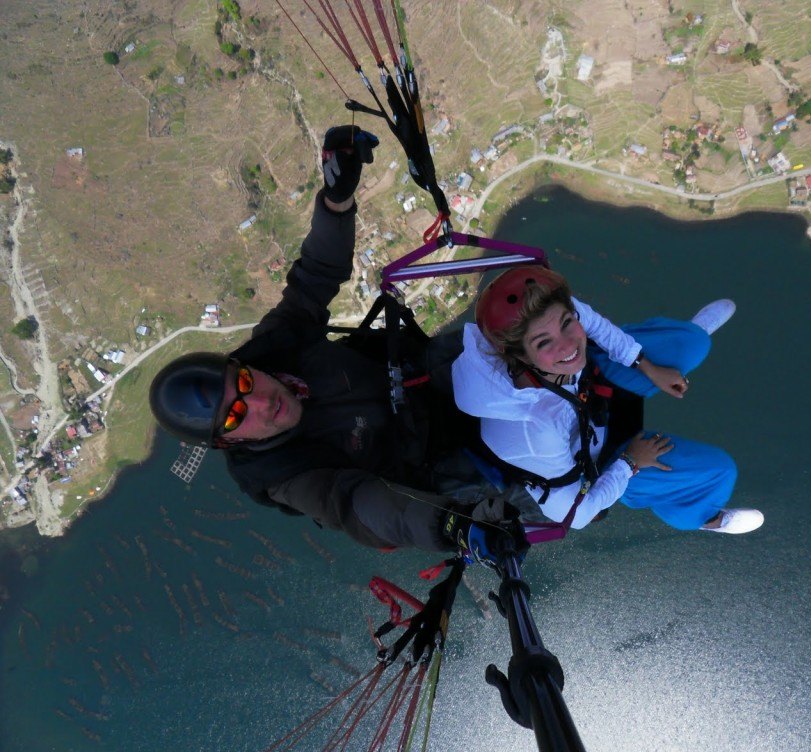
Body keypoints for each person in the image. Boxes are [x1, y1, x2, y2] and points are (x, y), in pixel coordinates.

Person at [149, 126, 523, 562]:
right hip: (435, 469)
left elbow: (317, 273)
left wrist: (337, 198)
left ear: (245, 365)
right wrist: (450, 525)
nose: (259, 402)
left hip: (423, 376)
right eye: (235, 415)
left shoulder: (276, 346)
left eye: (246, 383)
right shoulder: (280, 474)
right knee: (539, 485)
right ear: (227, 444)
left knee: (522, 324)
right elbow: (355, 503)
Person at [451, 266, 763, 534]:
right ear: (517, 356)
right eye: (545, 342)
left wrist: (648, 367)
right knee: (720, 471)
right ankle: (704, 518)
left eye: (567, 324)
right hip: (601, 458)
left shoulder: (543, 313)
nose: (568, 344)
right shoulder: (534, 429)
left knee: (692, 344)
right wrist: (630, 463)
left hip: (590, 391)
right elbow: (575, 514)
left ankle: (685, 338)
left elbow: (594, 326)